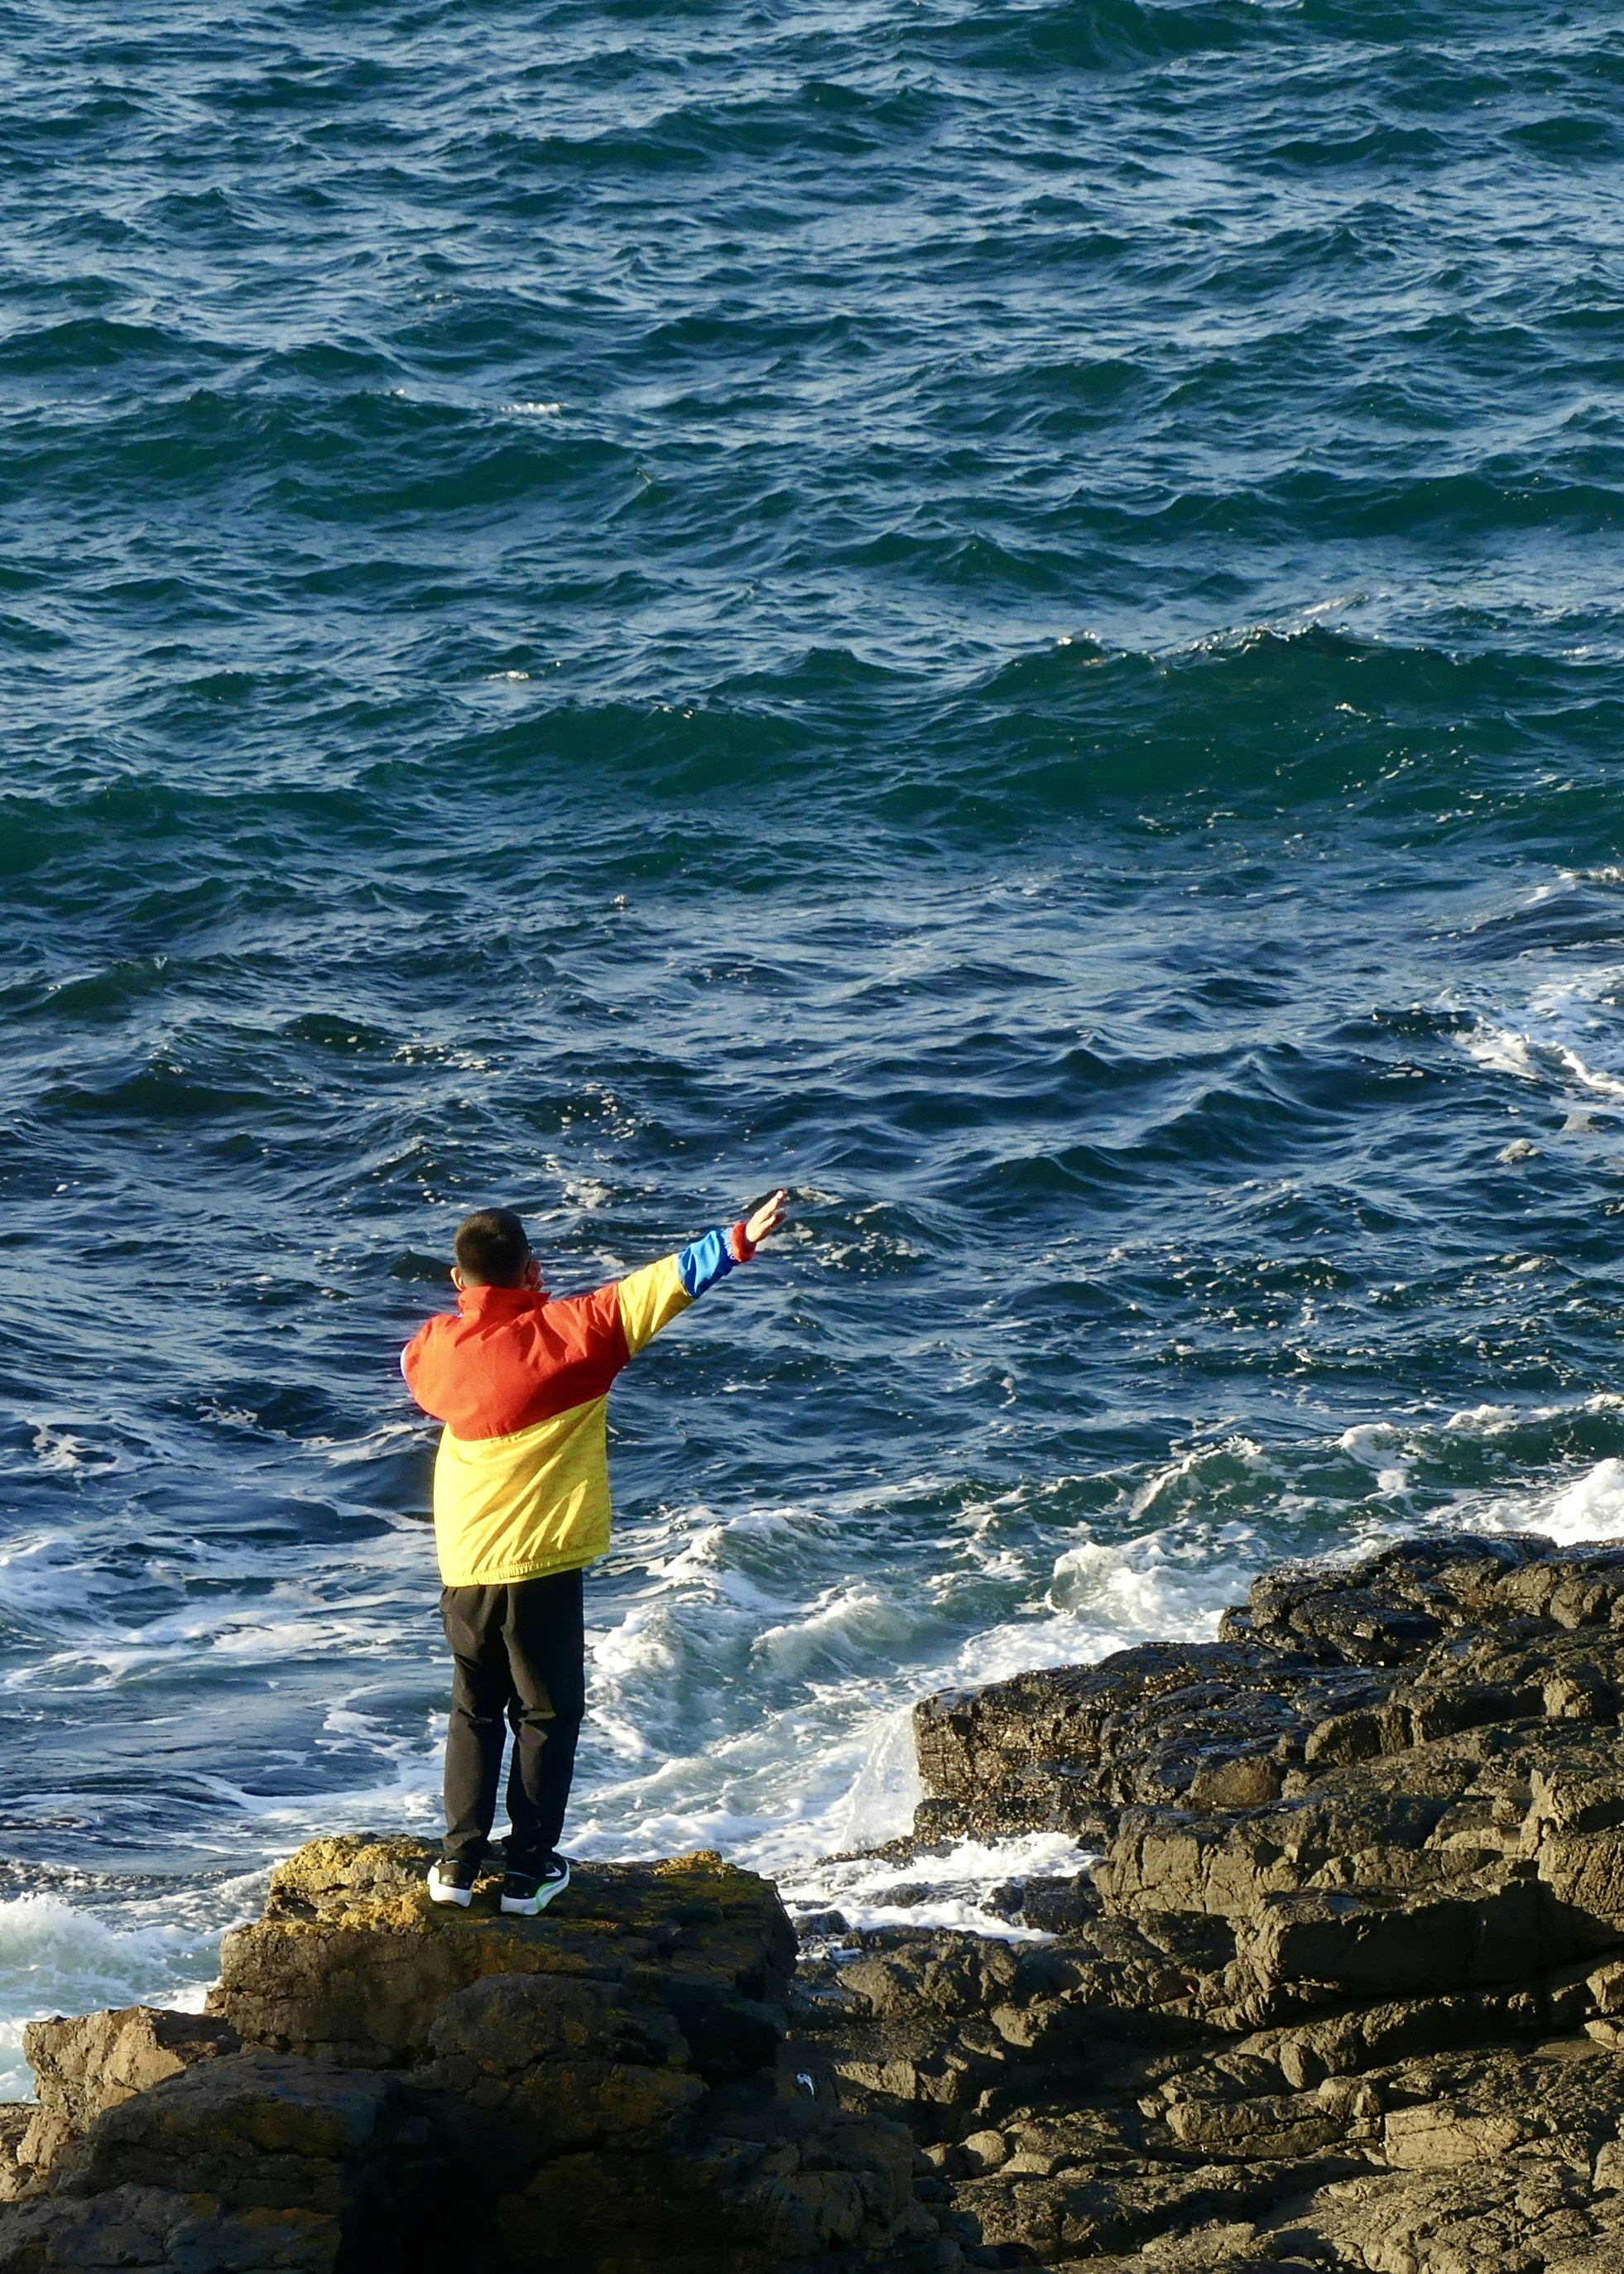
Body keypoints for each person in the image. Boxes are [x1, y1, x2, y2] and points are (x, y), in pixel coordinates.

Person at [401, 1190, 790, 1916]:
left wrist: (496, 1311)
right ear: (532, 1271)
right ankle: (527, 1872)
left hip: (465, 1566)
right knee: (546, 1715)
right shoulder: (573, 1333)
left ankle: (456, 1867)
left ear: (460, 1282)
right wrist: (738, 1237)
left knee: (474, 1712)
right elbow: (660, 1286)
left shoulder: (436, 1352)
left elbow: (418, 1362)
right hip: (542, 1566)